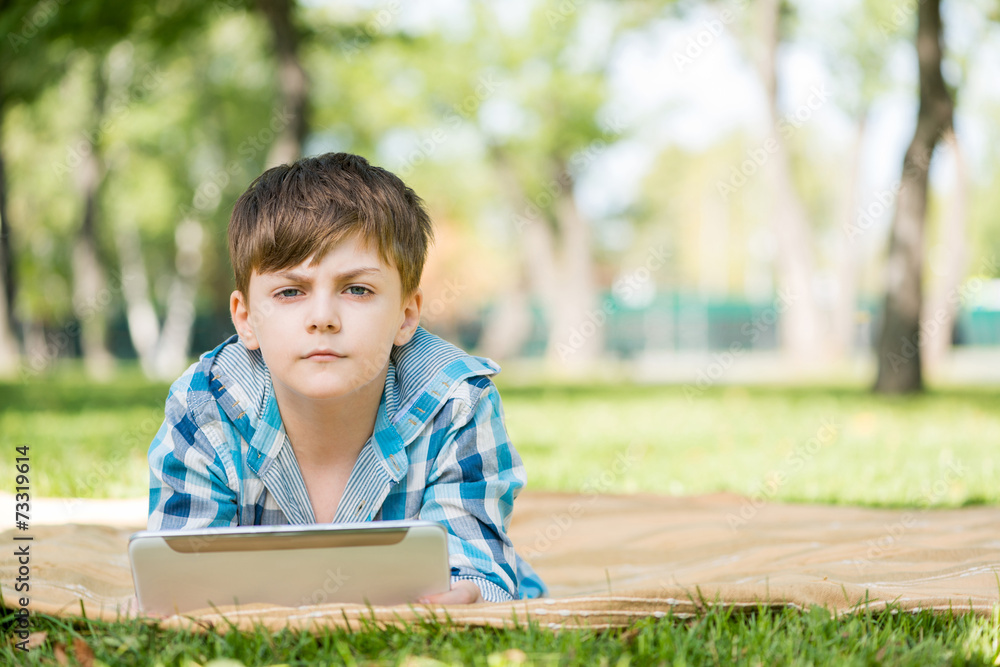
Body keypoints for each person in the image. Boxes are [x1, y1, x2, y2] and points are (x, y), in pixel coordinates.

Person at [146, 152, 546, 604]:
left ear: (406, 314)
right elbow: (179, 579)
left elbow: (474, 569)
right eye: (290, 291)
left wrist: (470, 593)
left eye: (357, 289)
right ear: (246, 319)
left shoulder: (455, 402)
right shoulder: (207, 406)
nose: (322, 318)